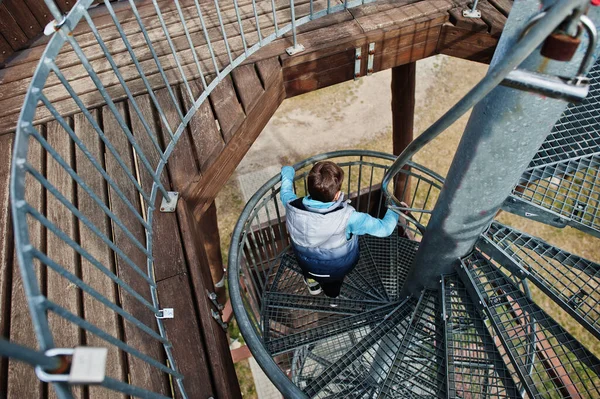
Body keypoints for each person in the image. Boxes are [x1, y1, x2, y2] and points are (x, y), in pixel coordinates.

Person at [280, 161, 399, 298]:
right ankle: (332, 296)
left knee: (311, 267)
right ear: (337, 195)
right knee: (333, 283)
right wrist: (395, 208)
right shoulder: (348, 218)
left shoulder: (292, 206)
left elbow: (285, 191)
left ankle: (312, 283)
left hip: (305, 262)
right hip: (336, 268)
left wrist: (288, 171)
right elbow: (385, 229)